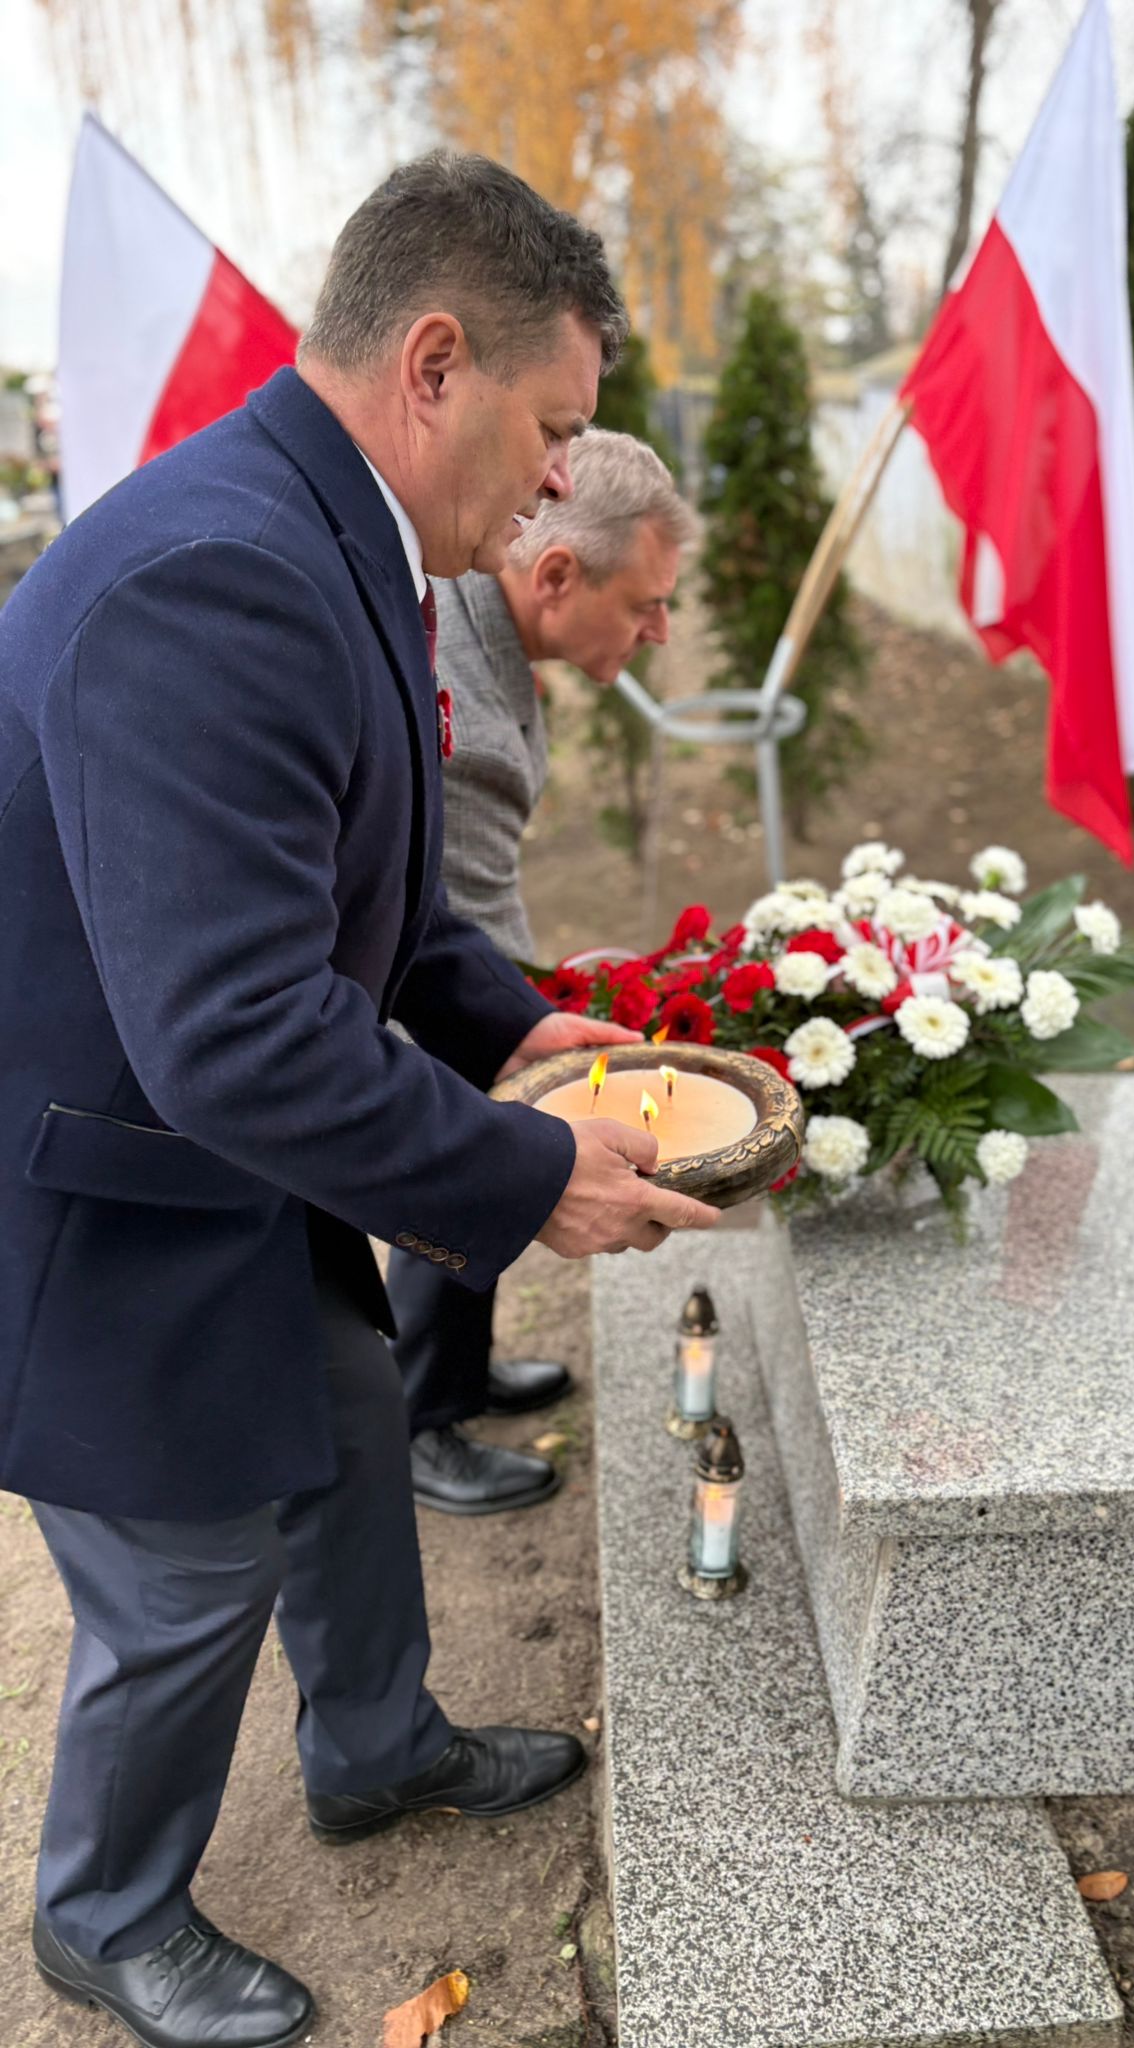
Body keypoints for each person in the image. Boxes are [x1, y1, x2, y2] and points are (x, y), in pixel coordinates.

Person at [0, 149, 717, 2048]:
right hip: (92, 1177)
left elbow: (361, 889)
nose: (557, 477)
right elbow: (234, 1026)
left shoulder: (332, 536)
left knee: (337, 1436)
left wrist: (513, 1027)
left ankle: (375, 1743)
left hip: (203, 1154)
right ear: (433, 363)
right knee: (186, 1575)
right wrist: (526, 1173)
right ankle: (102, 1911)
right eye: (550, 429)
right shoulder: (225, 572)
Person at [398, 428, 699, 1514]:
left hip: (445, 952)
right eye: (645, 604)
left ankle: (459, 1371)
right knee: (472, 1131)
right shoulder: (461, 703)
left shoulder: (483, 615)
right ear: (559, 575)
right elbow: (462, 924)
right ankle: (420, 1417)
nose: (661, 631)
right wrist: (534, 1019)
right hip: (407, 987)